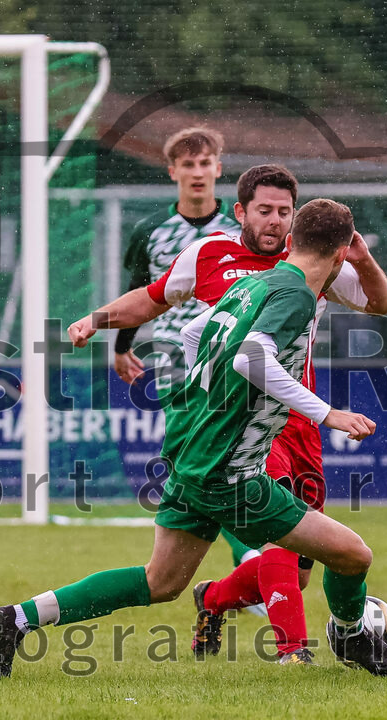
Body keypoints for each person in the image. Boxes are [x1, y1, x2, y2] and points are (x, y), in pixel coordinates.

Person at [0, 199, 387, 679]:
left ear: (291, 241)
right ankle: (354, 640)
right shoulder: (296, 296)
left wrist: (208, 403)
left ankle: (13, 620)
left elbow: (191, 333)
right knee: (353, 555)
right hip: (233, 475)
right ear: (338, 259)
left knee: (159, 581)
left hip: (195, 458)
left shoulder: (253, 283)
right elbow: (252, 359)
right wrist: (327, 413)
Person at [68, 164, 387, 664]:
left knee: (301, 563)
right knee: (281, 525)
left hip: (293, 417)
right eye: (265, 210)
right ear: (241, 211)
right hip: (227, 422)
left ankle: (214, 597)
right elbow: (154, 301)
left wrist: (362, 257)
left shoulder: (311, 258)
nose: (276, 221)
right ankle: (293, 652)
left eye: (285, 211)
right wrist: (98, 318)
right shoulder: (209, 252)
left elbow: (379, 303)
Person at [114, 126, 262, 577]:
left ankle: (239, 561)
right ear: (173, 171)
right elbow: (139, 292)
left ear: (218, 169)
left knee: (205, 458)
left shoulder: (242, 231)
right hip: (174, 359)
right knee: (207, 457)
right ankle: (247, 559)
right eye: (188, 164)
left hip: (231, 356)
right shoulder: (150, 231)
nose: (197, 173)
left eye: (205, 164)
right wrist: (121, 347)